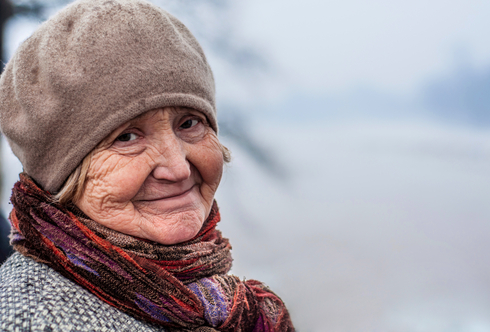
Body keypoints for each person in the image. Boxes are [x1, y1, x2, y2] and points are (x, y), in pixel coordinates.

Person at [0, 0, 294, 331]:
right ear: (63, 175)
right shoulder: (30, 319)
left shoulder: (220, 307)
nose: (178, 168)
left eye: (189, 123)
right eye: (127, 137)